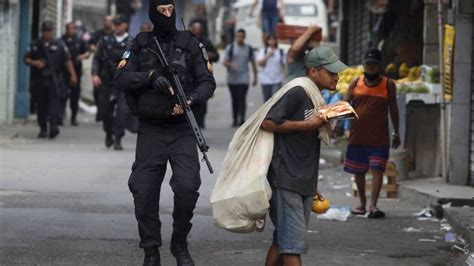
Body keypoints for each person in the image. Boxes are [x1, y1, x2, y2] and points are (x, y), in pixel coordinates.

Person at [114, 0, 216, 265]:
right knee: (143, 191)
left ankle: (179, 243)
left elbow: (208, 81)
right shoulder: (140, 43)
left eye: (172, 10)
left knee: (187, 187)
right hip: (151, 129)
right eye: (162, 11)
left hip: (182, 129)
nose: (168, 15)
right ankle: (151, 249)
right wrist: (149, 77)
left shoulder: (190, 42)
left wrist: (191, 99)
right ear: (152, 13)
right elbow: (121, 78)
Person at [261, 46, 346, 266]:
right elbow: (267, 121)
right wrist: (308, 124)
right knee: (292, 245)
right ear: (313, 72)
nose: (337, 77)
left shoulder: (314, 95)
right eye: (331, 72)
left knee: (283, 240)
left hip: (302, 178)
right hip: (286, 177)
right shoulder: (297, 91)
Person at [343, 48, 400, 219]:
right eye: (368, 64)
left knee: (377, 170)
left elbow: (394, 110)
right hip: (357, 136)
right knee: (358, 171)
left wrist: (397, 132)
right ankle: (361, 203)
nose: (370, 68)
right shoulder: (355, 83)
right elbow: (344, 104)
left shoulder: (388, 84)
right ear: (364, 65)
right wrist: (335, 125)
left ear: (379, 66)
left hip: (379, 138)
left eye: (374, 65)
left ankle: (373, 206)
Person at [24, 21, 77, 139]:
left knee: (54, 105)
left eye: (49, 31)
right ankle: (43, 128)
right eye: (45, 31)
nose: (47, 33)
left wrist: (73, 75)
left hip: (54, 80)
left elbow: (67, 60)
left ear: (52, 31)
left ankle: (53, 126)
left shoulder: (59, 44)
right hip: (39, 81)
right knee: (41, 106)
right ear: (42, 32)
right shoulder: (35, 44)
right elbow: (25, 58)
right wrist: (35, 63)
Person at [91, 14, 133, 150]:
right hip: (107, 82)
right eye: (115, 24)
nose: (116, 26)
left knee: (122, 111)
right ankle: (109, 132)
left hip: (123, 83)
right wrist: (95, 74)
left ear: (125, 25)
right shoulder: (105, 41)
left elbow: (137, 62)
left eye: (119, 24)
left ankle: (118, 137)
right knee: (105, 112)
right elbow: (97, 59)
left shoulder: (131, 42)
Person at [223, 29, 258, 127]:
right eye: (237, 36)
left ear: (244, 37)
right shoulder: (230, 48)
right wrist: (230, 64)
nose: (239, 38)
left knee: (242, 98)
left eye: (241, 36)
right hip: (232, 78)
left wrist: (255, 77)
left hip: (244, 77)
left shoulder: (248, 48)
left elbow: (253, 63)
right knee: (234, 99)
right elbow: (224, 61)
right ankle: (235, 119)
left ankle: (242, 119)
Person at [189, 21, 220, 128]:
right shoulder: (187, 41)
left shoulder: (206, 42)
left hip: (203, 75)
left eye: (199, 32)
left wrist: (206, 54)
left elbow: (216, 56)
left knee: (203, 98)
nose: (197, 34)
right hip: (190, 76)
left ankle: (200, 122)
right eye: (195, 31)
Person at [61, 22, 90, 126]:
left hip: (76, 72)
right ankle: (60, 116)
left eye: (73, 28)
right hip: (63, 73)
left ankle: (73, 117)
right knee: (62, 95)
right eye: (69, 28)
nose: (71, 30)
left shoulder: (79, 41)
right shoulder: (62, 41)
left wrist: (81, 56)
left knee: (74, 96)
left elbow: (87, 52)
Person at [256, 34, 285, 102]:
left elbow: (283, 65)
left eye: (273, 39)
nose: (272, 41)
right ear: (267, 41)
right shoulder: (263, 51)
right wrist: (267, 56)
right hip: (266, 80)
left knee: (276, 101)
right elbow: (260, 63)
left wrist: (284, 77)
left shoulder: (280, 51)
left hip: (277, 79)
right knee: (267, 101)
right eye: (270, 39)